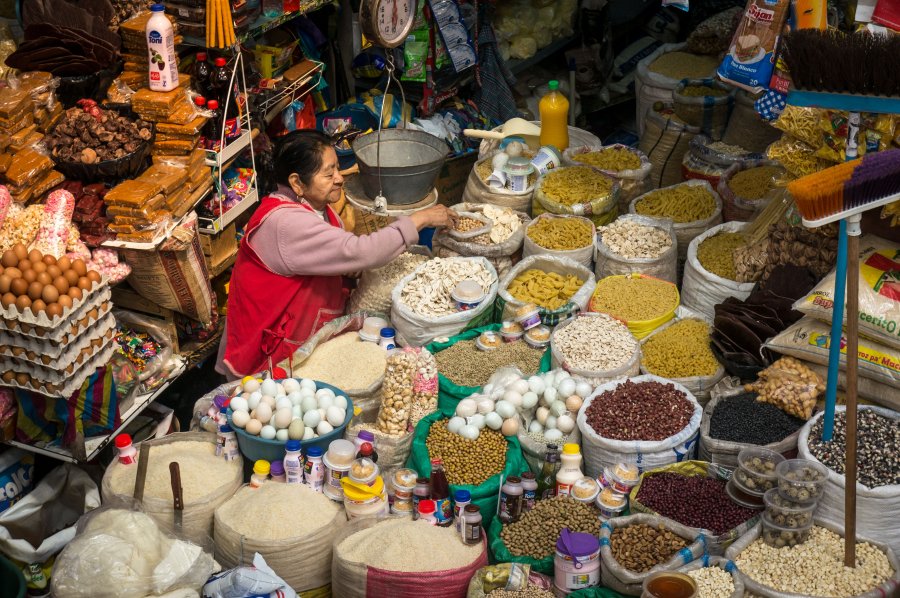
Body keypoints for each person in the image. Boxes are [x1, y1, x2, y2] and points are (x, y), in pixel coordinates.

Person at [216, 130, 457, 379]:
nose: (340, 179)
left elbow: (334, 255)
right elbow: (362, 251)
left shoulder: (316, 208)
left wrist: (346, 267)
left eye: (338, 169)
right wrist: (419, 218)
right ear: (297, 183)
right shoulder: (285, 223)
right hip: (272, 347)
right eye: (328, 174)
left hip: (302, 335)